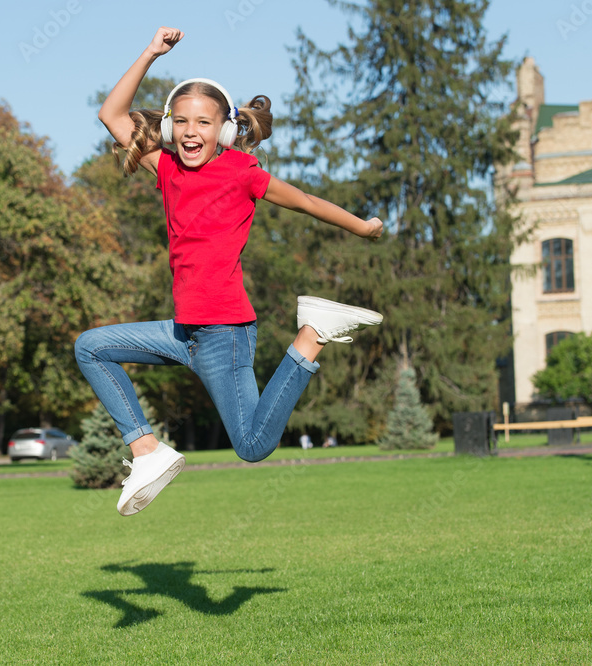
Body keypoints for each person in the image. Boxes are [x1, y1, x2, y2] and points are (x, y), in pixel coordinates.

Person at [74, 27, 384, 516]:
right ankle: (148, 452)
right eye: (181, 122)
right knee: (91, 346)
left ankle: (311, 335)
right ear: (172, 128)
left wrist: (362, 228)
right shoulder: (168, 169)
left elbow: (304, 202)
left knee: (252, 446)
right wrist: (151, 54)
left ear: (223, 130)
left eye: (202, 123)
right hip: (183, 332)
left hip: (224, 333)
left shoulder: (242, 172)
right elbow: (110, 114)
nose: (190, 131)